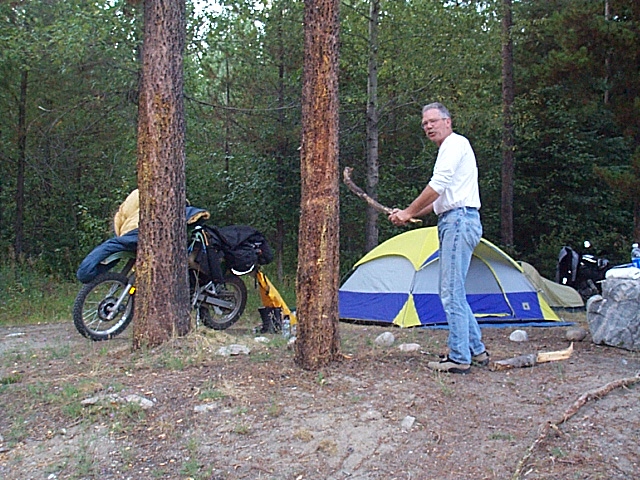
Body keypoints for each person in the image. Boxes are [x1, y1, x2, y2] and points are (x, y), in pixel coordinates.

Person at [388, 102, 489, 374]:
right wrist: (408, 215)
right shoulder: (452, 149)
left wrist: (408, 211)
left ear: (448, 121)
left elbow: (437, 185)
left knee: (450, 292)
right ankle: (476, 350)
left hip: (459, 220)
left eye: (433, 121)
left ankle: (459, 357)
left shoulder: (454, 145)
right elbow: (436, 203)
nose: (428, 126)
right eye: (424, 124)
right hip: (454, 219)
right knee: (454, 291)